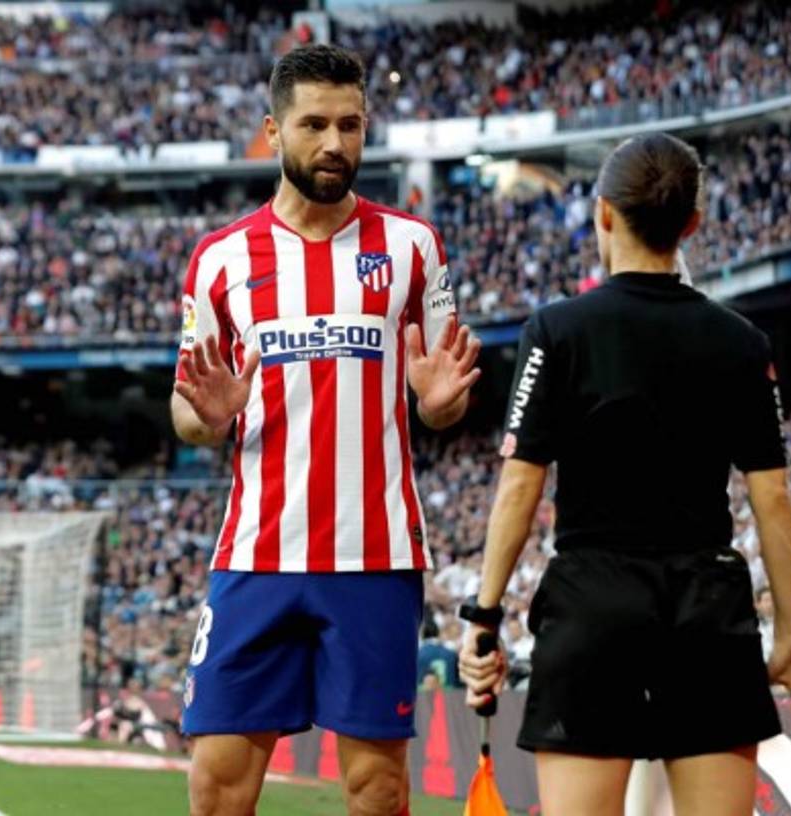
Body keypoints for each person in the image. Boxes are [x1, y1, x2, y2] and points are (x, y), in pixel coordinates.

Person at [456, 133, 791, 816]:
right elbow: (772, 495)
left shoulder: (558, 330)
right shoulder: (742, 342)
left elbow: (520, 485)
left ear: (603, 213)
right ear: (692, 223)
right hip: (706, 607)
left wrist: (483, 619)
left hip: (592, 604)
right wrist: (790, 631)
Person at [170, 44, 480, 816]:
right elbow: (186, 409)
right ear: (272, 132)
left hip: (373, 557)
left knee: (378, 790)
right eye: (314, 124)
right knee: (215, 786)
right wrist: (206, 417)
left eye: (350, 124)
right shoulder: (221, 259)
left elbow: (442, 402)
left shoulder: (411, 247)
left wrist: (441, 403)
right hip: (257, 555)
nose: (335, 143)